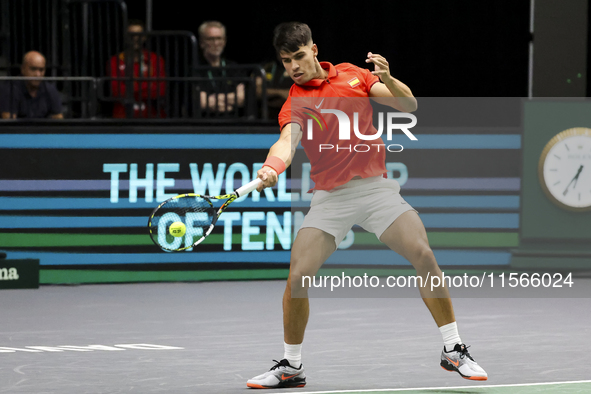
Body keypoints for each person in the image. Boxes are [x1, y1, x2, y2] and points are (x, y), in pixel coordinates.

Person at [247, 22, 488, 389]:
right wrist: (272, 167)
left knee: (423, 254)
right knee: (297, 277)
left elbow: (408, 105)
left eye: (298, 56)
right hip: (331, 197)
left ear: (314, 50)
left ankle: (454, 349)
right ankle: (291, 367)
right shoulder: (296, 101)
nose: (294, 66)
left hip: (376, 190)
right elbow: (287, 141)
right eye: (286, 61)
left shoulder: (353, 76)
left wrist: (389, 79)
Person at [108, 19, 166, 118]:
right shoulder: (114, 61)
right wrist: (147, 87)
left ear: (144, 37)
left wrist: (132, 89)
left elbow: (160, 90)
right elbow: (117, 91)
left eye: (139, 35)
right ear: (126, 37)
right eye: (132, 35)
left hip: (152, 117)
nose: (135, 38)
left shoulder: (155, 59)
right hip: (123, 117)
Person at [196, 21, 245, 115]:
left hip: (234, 123)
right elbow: (202, 103)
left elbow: (241, 99)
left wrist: (214, 99)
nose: (216, 43)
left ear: (224, 42)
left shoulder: (234, 68)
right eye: (210, 39)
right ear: (202, 43)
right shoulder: (195, 69)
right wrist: (230, 99)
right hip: (203, 124)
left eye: (219, 38)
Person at [0, 51, 63, 119]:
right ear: (23, 69)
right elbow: (9, 123)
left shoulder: (50, 89)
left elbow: (58, 120)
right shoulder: (10, 89)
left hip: (42, 129)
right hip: (20, 129)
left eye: (41, 70)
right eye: (33, 69)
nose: (38, 75)